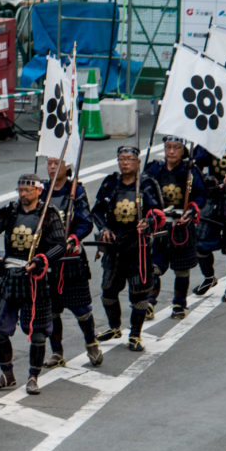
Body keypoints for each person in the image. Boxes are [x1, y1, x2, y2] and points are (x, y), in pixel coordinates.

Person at [0, 172, 68, 394]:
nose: (23, 194)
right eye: (20, 190)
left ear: (39, 191)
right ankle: (7, 374)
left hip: (36, 279)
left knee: (37, 332)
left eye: (27, 190)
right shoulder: (11, 211)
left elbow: (60, 245)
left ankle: (33, 376)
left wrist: (41, 259)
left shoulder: (49, 215)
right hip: (10, 275)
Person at [91, 146, 164, 351]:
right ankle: (114, 327)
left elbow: (159, 213)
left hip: (138, 247)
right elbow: (97, 211)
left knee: (139, 294)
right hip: (114, 246)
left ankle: (135, 334)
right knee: (108, 291)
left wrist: (148, 223)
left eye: (129, 159)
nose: (125, 163)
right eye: (121, 158)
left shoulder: (147, 184)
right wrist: (103, 228)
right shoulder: (110, 183)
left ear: (137, 162)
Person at [42, 155, 105, 368]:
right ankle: (57, 352)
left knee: (81, 309)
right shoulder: (41, 190)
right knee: (51, 309)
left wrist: (73, 238)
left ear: (67, 166)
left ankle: (91, 343)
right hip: (48, 259)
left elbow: (85, 222)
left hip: (71, 259)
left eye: (56, 163)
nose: (52, 167)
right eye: (49, 163)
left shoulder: (75, 191)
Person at [145, 135, 206, 319]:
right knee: (154, 266)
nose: (171, 151)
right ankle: (149, 301)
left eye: (176, 147)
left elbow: (201, 195)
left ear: (183, 150)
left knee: (181, 269)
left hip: (181, 226)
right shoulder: (154, 168)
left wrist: (192, 210)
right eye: (168, 147)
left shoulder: (190, 171)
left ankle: (179, 305)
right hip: (159, 225)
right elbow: (144, 192)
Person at [193, 130, 226, 301]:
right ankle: (209, 277)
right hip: (213, 198)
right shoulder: (212, 138)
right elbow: (196, 163)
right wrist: (206, 178)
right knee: (200, 244)